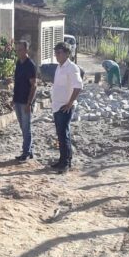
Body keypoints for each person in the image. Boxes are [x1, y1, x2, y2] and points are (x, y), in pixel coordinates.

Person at [50, 41, 83, 174]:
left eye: (59, 53)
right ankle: (62, 159)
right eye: (56, 53)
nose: (57, 55)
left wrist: (70, 103)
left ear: (67, 54)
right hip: (57, 106)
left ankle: (67, 162)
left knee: (64, 134)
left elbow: (78, 86)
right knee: (60, 134)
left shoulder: (72, 68)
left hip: (65, 107)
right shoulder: (59, 67)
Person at [12, 40, 37, 162]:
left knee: (26, 127)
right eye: (17, 50)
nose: (18, 52)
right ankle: (29, 150)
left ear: (26, 50)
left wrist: (29, 103)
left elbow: (34, 86)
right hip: (17, 99)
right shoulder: (18, 63)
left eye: (20, 49)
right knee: (23, 127)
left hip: (25, 101)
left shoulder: (30, 65)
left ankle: (26, 152)